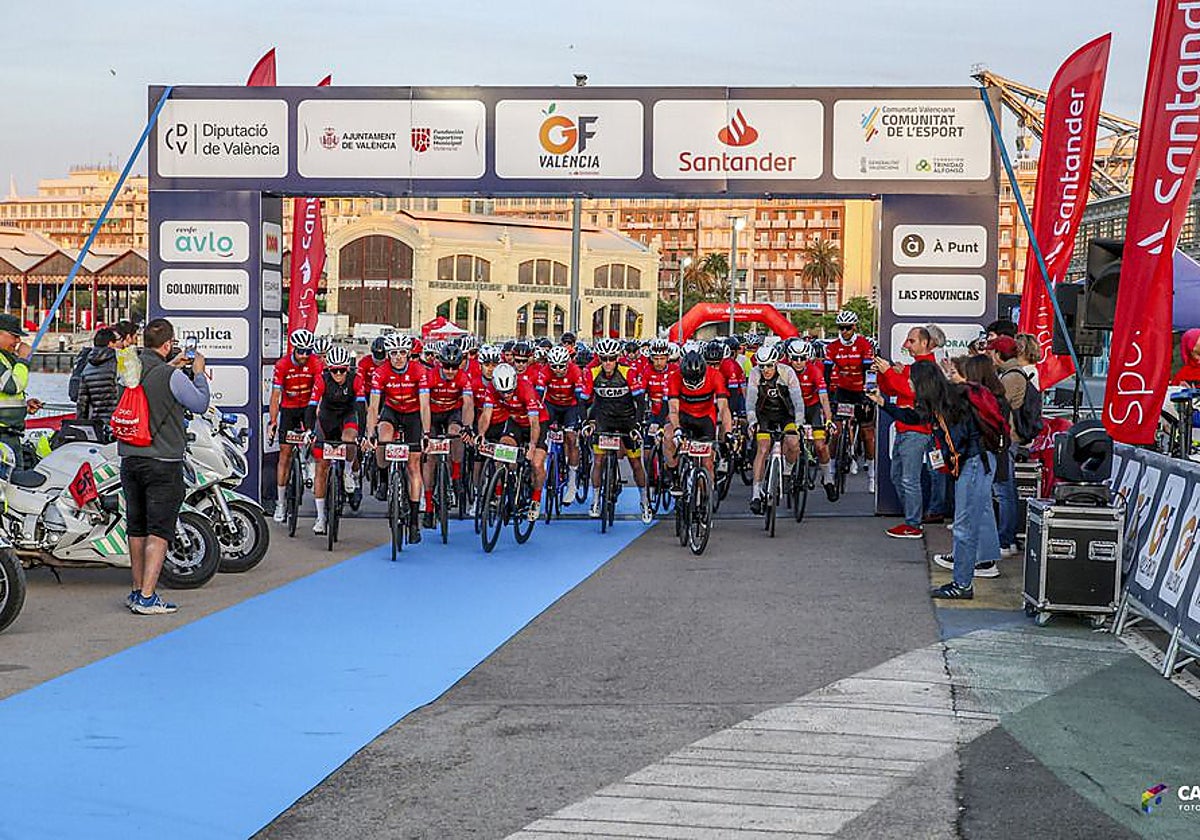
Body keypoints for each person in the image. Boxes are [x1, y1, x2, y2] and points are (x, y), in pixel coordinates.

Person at [868, 360, 999, 599]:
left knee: (963, 526)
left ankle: (962, 584)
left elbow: (963, 435)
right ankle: (973, 572)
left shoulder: (952, 400)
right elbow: (914, 417)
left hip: (975, 463)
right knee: (969, 522)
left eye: (912, 379)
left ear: (923, 383)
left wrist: (955, 459)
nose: (908, 383)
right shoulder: (942, 399)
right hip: (976, 462)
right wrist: (884, 403)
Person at [119, 318, 211, 614]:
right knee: (159, 530)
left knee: (137, 527)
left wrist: (171, 364)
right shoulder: (172, 376)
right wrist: (197, 374)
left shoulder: (129, 368)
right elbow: (199, 404)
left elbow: (150, 382)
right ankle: (148, 597)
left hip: (130, 458)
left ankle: (136, 591)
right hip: (163, 461)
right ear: (169, 343)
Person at [365, 333, 430, 544]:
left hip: (412, 414)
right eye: (394, 354)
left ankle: (413, 521)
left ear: (409, 354)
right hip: (391, 410)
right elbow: (374, 406)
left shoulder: (419, 370)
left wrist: (426, 434)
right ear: (388, 355)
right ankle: (384, 479)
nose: (399, 357)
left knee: (413, 466)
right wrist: (370, 434)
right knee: (383, 440)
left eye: (403, 353)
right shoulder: (380, 372)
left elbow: (424, 406)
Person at [873, 326, 937, 539]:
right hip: (905, 428)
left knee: (909, 479)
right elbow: (893, 389)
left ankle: (913, 524)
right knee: (898, 476)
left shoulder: (927, 367)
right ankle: (912, 519)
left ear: (925, 343)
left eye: (911, 341)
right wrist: (883, 375)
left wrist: (888, 372)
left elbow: (909, 390)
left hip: (916, 431)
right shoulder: (915, 367)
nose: (906, 345)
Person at [585, 337, 653, 523]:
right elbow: (583, 401)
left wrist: (637, 425)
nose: (608, 363)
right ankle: (596, 499)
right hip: (603, 419)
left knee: (635, 463)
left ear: (617, 358)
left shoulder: (628, 373)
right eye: (604, 358)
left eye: (611, 358)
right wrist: (586, 422)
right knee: (597, 461)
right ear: (599, 358)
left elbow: (640, 401)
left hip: (626, 420)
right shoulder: (592, 373)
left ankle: (644, 500)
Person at [306, 345, 366, 535]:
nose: (339, 374)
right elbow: (312, 406)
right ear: (328, 369)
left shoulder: (356, 380)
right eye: (334, 370)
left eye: (342, 370)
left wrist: (362, 435)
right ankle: (321, 517)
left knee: (350, 439)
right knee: (321, 468)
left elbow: (361, 409)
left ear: (348, 368)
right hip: (327, 419)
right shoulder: (321, 380)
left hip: (347, 416)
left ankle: (348, 472)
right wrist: (309, 430)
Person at [477, 362, 548, 521]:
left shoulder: (526, 389)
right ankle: (500, 491)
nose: (506, 395)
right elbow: (486, 414)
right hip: (515, 421)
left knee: (536, 463)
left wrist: (532, 445)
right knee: (501, 451)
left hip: (537, 422)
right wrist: (481, 434)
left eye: (509, 391)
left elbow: (534, 423)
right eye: (502, 392)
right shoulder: (492, 389)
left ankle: (536, 499)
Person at [267, 329, 323, 523]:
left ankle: (309, 461)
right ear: (293, 349)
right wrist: (273, 421)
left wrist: (317, 419)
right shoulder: (282, 365)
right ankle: (281, 503)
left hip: (309, 406)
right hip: (289, 409)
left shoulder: (316, 363)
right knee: (285, 454)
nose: (304, 356)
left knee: (314, 440)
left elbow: (319, 392)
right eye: (301, 351)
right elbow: (275, 397)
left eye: (308, 351)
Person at [746, 344, 804, 515]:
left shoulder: (788, 373)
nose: (766, 370)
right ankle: (756, 495)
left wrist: (799, 423)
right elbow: (750, 401)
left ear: (776, 363)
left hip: (786, 414)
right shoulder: (755, 374)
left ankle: (786, 472)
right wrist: (752, 421)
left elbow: (798, 400)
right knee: (763, 448)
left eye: (769, 366)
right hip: (765, 415)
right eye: (762, 366)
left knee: (793, 443)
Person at [422, 341, 474, 528]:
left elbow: (468, 403)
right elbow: (425, 405)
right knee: (430, 459)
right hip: (433, 414)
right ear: (440, 363)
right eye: (446, 366)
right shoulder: (430, 376)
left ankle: (456, 476)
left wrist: (467, 426)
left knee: (456, 433)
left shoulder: (463, 378)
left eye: (454, 367)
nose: (450, 371)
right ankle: (428, 506)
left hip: (453, 412)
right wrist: (427, 432)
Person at [665, 349, 732, 495]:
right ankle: (674, 478)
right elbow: (673, 410)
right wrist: (677, 429)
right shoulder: (674, 377)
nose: (693, 384)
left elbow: (724, 408)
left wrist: (728, 432)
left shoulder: (715, 376)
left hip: (705, 420)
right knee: (668, 437)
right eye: (689, 380)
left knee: (707, 464)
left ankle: (705, 501)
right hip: (683, 417)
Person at [826, 309, 877, 491]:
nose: (844, 331)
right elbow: (826, 371)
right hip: (842, 391)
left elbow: (868, 370)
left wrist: (869, 394)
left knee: (867, 434)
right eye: (841, 328)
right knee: (836, 431)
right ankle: (831, 469)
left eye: (847, 328)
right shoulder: (832, 347)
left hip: (860, 390)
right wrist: (826, 394)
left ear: (854, 327)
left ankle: (872, 475)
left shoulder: (864, 344)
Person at [783, 338, 836, 500]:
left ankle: (828, 479)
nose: (799, 362)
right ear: (789, 358)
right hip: (790, 409)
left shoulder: (814, 371)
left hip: (811, 409)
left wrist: (828, 419)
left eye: (803, 358)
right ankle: (787, 472)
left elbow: (824, 398)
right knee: (792, 443)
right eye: (795, 359)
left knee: (820, 446)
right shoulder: (783, 371)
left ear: (808, 358)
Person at [989, 335, 1026, 559]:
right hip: (1008, 437)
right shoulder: (1011, 374)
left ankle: (1006, 538)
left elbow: (995, 404)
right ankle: (1007, 538)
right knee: (1006, 489)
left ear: (998, 354)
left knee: (1004, 491)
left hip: (1006, 438)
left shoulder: (1011, 377)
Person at [539, 344, 590, 502]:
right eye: (554, 366)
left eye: (562, 366)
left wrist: (582, 421)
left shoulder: (575, 371)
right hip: (552, 404)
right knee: (542, 432)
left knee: (571, 438)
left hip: (571, 406)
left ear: (567, 363)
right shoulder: (545, 371)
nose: (558, 369)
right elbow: (538, 396)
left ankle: (572, 482)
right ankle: (547, 463)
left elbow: (581, 401)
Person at [75, 326, 122, 437]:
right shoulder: (118, 361)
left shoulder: (87, 366)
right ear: (110, 343)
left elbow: (82, 403)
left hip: (97, 425)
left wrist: (81, 424)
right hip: (117, 422)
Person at [0, 314, 32, 467]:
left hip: (10, 434)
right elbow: (12, 385)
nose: (18, 341)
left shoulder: (5, 358)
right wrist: (23, 359)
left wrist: (24, 405)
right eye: (14, 336)